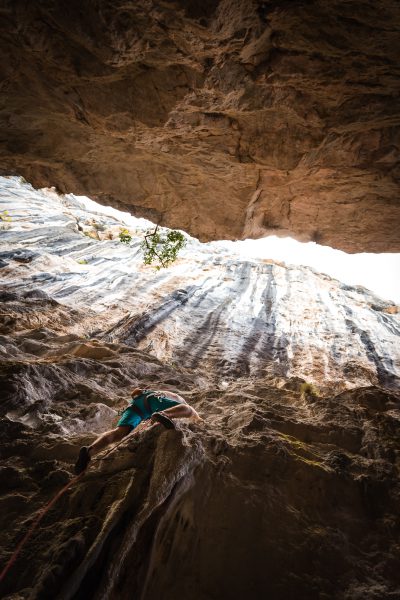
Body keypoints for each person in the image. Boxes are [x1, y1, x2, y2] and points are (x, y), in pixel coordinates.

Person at [74, 387, 200, 474]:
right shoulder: (177, 398)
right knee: (188, 409)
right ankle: (164, 413)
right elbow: (192, 415)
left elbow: (135, 392)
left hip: (135, 407)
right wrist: (198, 419)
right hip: (153, 400)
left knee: (119, 433)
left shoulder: (152, 392)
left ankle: (89, 451)